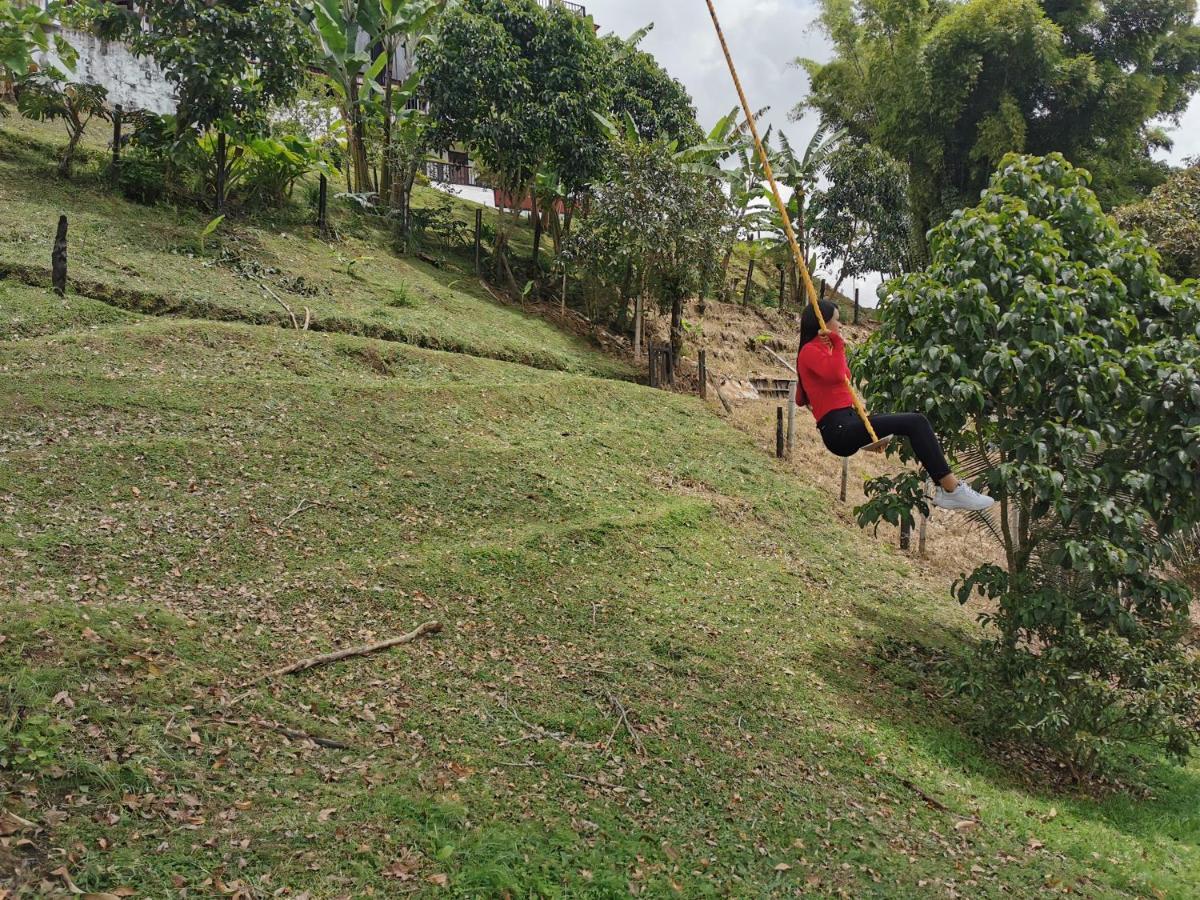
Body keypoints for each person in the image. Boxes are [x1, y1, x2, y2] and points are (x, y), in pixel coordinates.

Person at [795, 300, 995, 512]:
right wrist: (838, 344)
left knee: (913, 423)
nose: (841, 325)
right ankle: (951, 489)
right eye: (836, 320)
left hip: (848, 421)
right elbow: (836, 375)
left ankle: (950, 489)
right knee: (915, 422)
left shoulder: (823, 351)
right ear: (823, 324)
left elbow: (808, 394)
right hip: (838, 430)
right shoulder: (809, 351)